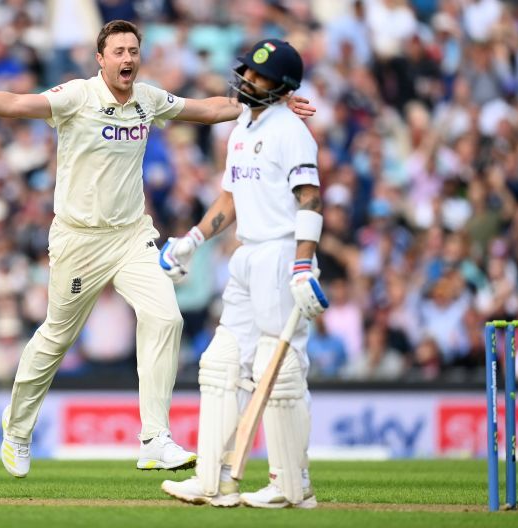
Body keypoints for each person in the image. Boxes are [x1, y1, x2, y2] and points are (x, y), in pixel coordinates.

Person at [0, 20, 315, 479]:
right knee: (57, 337)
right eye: (118, 52)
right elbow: (17, 103)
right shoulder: (77, 96)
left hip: (130, 235)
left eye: (132, 50)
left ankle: (154, 438)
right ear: (100, 60)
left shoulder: (147, 99)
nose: (127, 58)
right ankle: (18, 428)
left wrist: (273, 102)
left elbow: (208, 109)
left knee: (166, 317)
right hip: (78, 237)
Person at [159, 39, 328, 508]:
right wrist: (192, 240)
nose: (248, 81)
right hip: (247, 254)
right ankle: (212, 479)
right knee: (220, 365)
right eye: (247, 73)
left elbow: (310, 199)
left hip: (281, 254)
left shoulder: (291, 131)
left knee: (281, 370)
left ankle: (292, 484)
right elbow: (230, 198)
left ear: (284, 86)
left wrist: (301, 264)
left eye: (260, 76)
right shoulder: (240, 127)